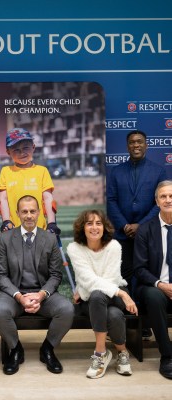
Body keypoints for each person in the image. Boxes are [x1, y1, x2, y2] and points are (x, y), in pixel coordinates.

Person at [0, 195, 74, 375]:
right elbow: (1, 275)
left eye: (32, 211)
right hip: (13, 295)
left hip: (42, 295)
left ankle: (48, 349)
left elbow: (55, 275)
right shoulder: (5, 239)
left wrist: (41, 295)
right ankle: (15, 349)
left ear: (38, 213)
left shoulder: (49, 239)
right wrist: (19, 297)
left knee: (66, 309)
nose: (28, 215)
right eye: (24, 212)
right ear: (17, 214)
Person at [67, 209, 138, 379]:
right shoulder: (74, 248)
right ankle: (121, 352)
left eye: (98, 223)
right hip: (97, 298)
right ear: (82, 228)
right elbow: (87, 279)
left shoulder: (114, 246)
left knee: (98, 294)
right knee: (111, 313)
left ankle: (100, 354)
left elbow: (111, 278)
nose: (94, 227)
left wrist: (119, 293)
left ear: (104, 227)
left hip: (113, 293)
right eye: (89, 223)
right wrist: (123, 294)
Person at [107, 130, 167, 293]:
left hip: (148, 232)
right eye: (132, 142)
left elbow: (159, 202)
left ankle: (144, 308)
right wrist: (124, 225)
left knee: (146, 273)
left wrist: (140, 225)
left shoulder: (158, 171)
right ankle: (127, 309)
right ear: (127, 146)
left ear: (146, 145)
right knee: (123, 275)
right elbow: (111, 200)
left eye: (139, 142)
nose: (136, 145)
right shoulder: (116, 171)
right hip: (122, 234)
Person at [134, 180, 172, 379]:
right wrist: (162, 285)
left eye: (171, 196)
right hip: (153, 286)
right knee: (155, 296)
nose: (168, 200)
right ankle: (167, 356)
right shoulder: (145, 230)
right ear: (156, 201)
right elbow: (139, 269)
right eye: (163, 196)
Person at [0, 128, 59, 234]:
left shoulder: (42, 171)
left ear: (33, 147)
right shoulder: (5, 171)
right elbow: (3, 200)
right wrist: (6, 221)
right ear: (8, 152)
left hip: (40, 230)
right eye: (16, 149)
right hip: (14, 230)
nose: (22, 152)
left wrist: (52, 223)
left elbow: (48, 198)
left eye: (26, 147)